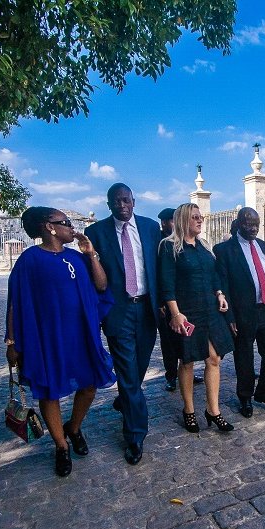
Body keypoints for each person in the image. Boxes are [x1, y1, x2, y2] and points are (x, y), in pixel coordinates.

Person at [6, 207, 116, 476]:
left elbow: (102, 286)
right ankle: (61, 445)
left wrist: (91, 254)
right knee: (49, 390)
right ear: (49, 227)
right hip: (47, 337)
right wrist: (11, 342)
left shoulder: (77, 256)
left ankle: (74, 427)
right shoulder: (30, 260)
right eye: (65, 222)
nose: (71, 226)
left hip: (81, 334)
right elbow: (15, 302)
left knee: (89, 385)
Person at [84, 183, 160, 465]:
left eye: (126, 200)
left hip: (147, 309)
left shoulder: (150, 228)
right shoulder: (96, 232)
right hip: (118, 311)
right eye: (116, 202)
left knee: (138, 367)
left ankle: (126, 399)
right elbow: (93, 276)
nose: (122, 205)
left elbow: (159, 267)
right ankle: (135, 435)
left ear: (134, 201)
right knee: (127, 372)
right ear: (109, 205)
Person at [158, 203, 235, 433]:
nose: (200, 220)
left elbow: (214, 276)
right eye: (195, 217)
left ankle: (213, 410)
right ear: (183, 219)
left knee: (214, 358)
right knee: (187, 360)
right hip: (186, 313)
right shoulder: (169, 246)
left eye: (200, 217)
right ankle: (189, 410)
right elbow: (166, 284)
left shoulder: (204, 246)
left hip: (210, 311)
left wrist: (220, 294)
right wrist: (175, 313)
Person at [214, 207, 265, 418]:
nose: (253, 228)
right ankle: (245, 397)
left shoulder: (262, 245)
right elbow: (223, 285)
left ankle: (264, 393)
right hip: (242, 314)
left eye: (256, 224)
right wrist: (229, 317)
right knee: (244, 358)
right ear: (239, 223)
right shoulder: (225, 250)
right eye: (248, 224)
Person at [157, 207, 203, 391]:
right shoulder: (163, 243)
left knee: (186, 346)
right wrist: (162, 303)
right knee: (169, 343)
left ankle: (186, 370)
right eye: (169, 221)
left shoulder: (193, 243)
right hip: (169, 304)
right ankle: (171, 375)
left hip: (189, 304)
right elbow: (162, 277)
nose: (172, 224)